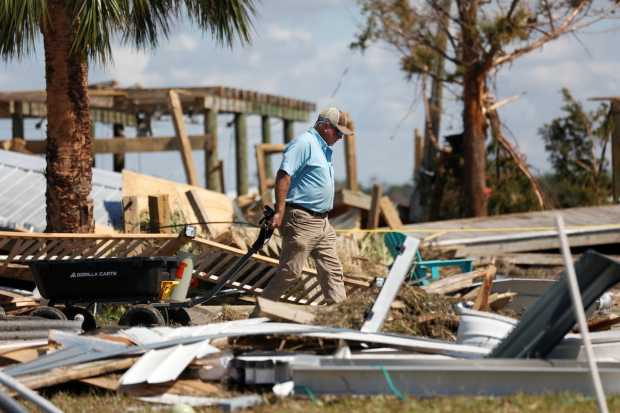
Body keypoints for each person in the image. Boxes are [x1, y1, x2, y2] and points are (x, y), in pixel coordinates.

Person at [250, 108, 353, 316]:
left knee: (333, 272)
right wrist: (279, 212)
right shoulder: (304, 143)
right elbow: (283, 175)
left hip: (322, 222)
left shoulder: (322, 149)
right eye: (338, 132)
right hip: (301, 220)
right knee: (289, 273)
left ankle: (341, 321)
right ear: (326, 127)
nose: (341, 137)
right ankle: (255, 318)